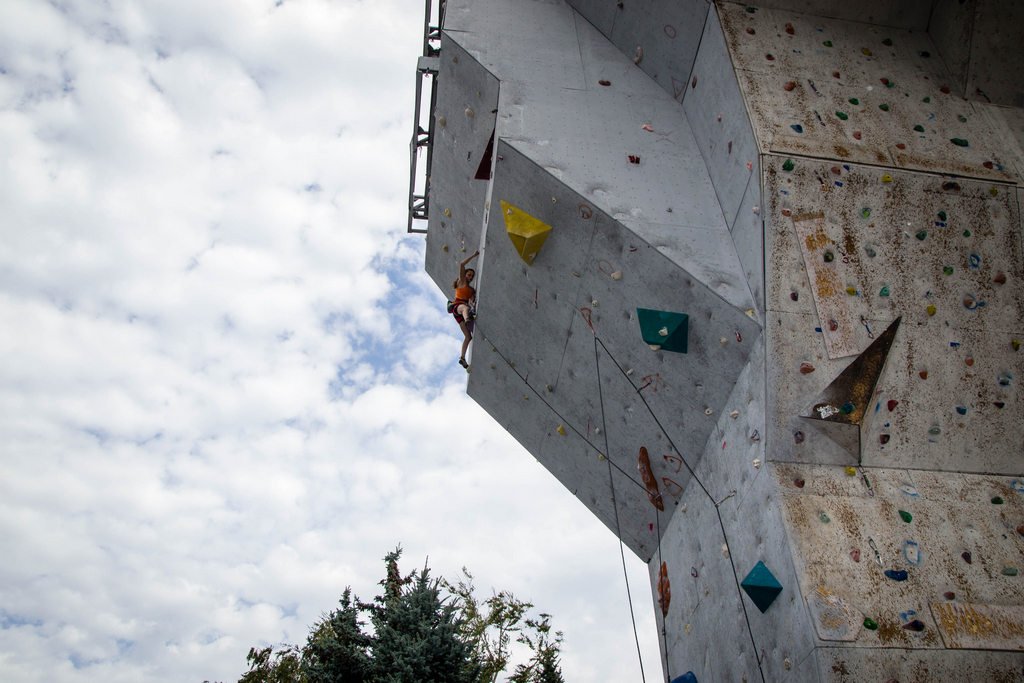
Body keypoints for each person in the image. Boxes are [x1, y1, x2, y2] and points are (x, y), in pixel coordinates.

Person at [451, 250, 479, 369]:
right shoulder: (461, 281)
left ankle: (462, 358)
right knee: (465, 308)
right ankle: (467, 319)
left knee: (468, 337)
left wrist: (473, 301)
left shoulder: (471, 289)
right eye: (469, 275)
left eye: (472, 276)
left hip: (460, 314)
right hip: (458, 307)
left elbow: (472, 298)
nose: (471, 277)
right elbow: (462, 265)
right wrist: (473, 255)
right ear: (465, 275)